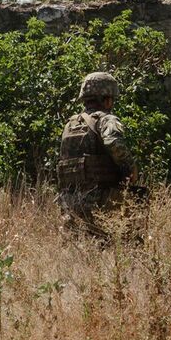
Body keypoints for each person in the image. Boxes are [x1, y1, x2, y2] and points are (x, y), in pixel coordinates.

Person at [57, 71, 135, 239]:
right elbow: (114, 143)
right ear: (107, 99)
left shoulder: (70, 125)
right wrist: (130, 169)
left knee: (77, 247)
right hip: (100, 200)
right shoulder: (106, 120)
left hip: (70, 202)